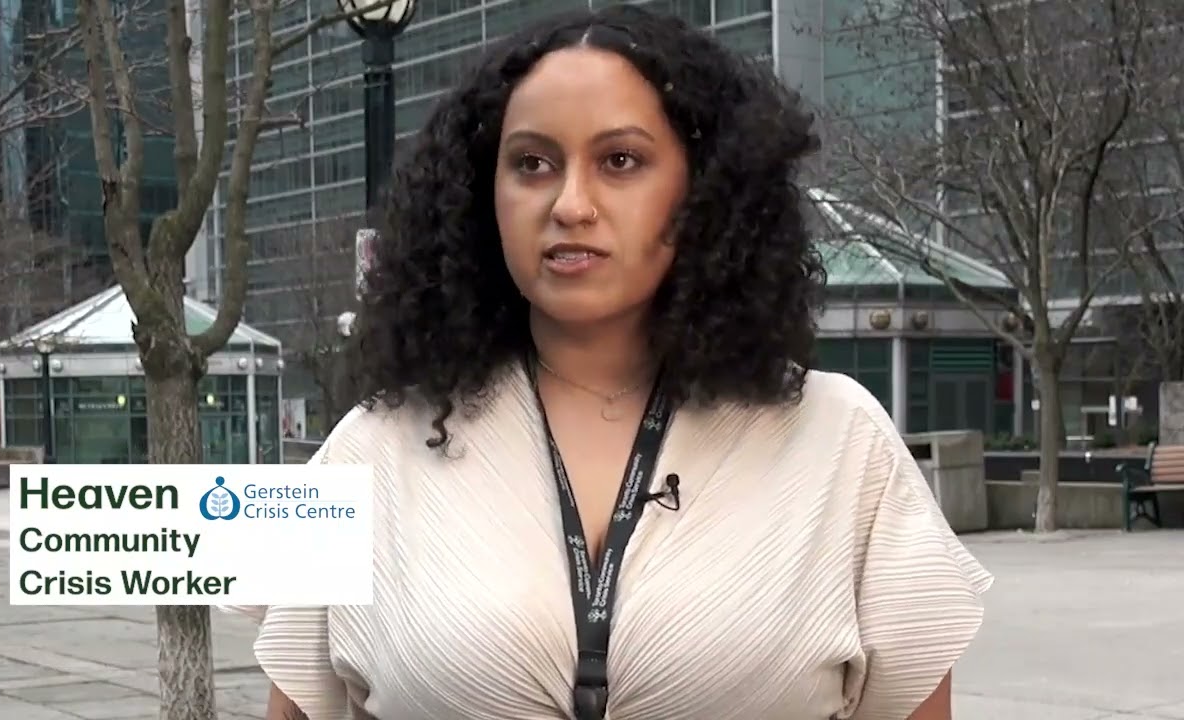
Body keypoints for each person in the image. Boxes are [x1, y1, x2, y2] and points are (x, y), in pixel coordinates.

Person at [222, 5, 993, 719]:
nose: (570, 204)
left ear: (703, 189)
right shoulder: (368, 449)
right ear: (481, 196)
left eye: (621, 160)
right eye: (532, 163)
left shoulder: (841, 442)